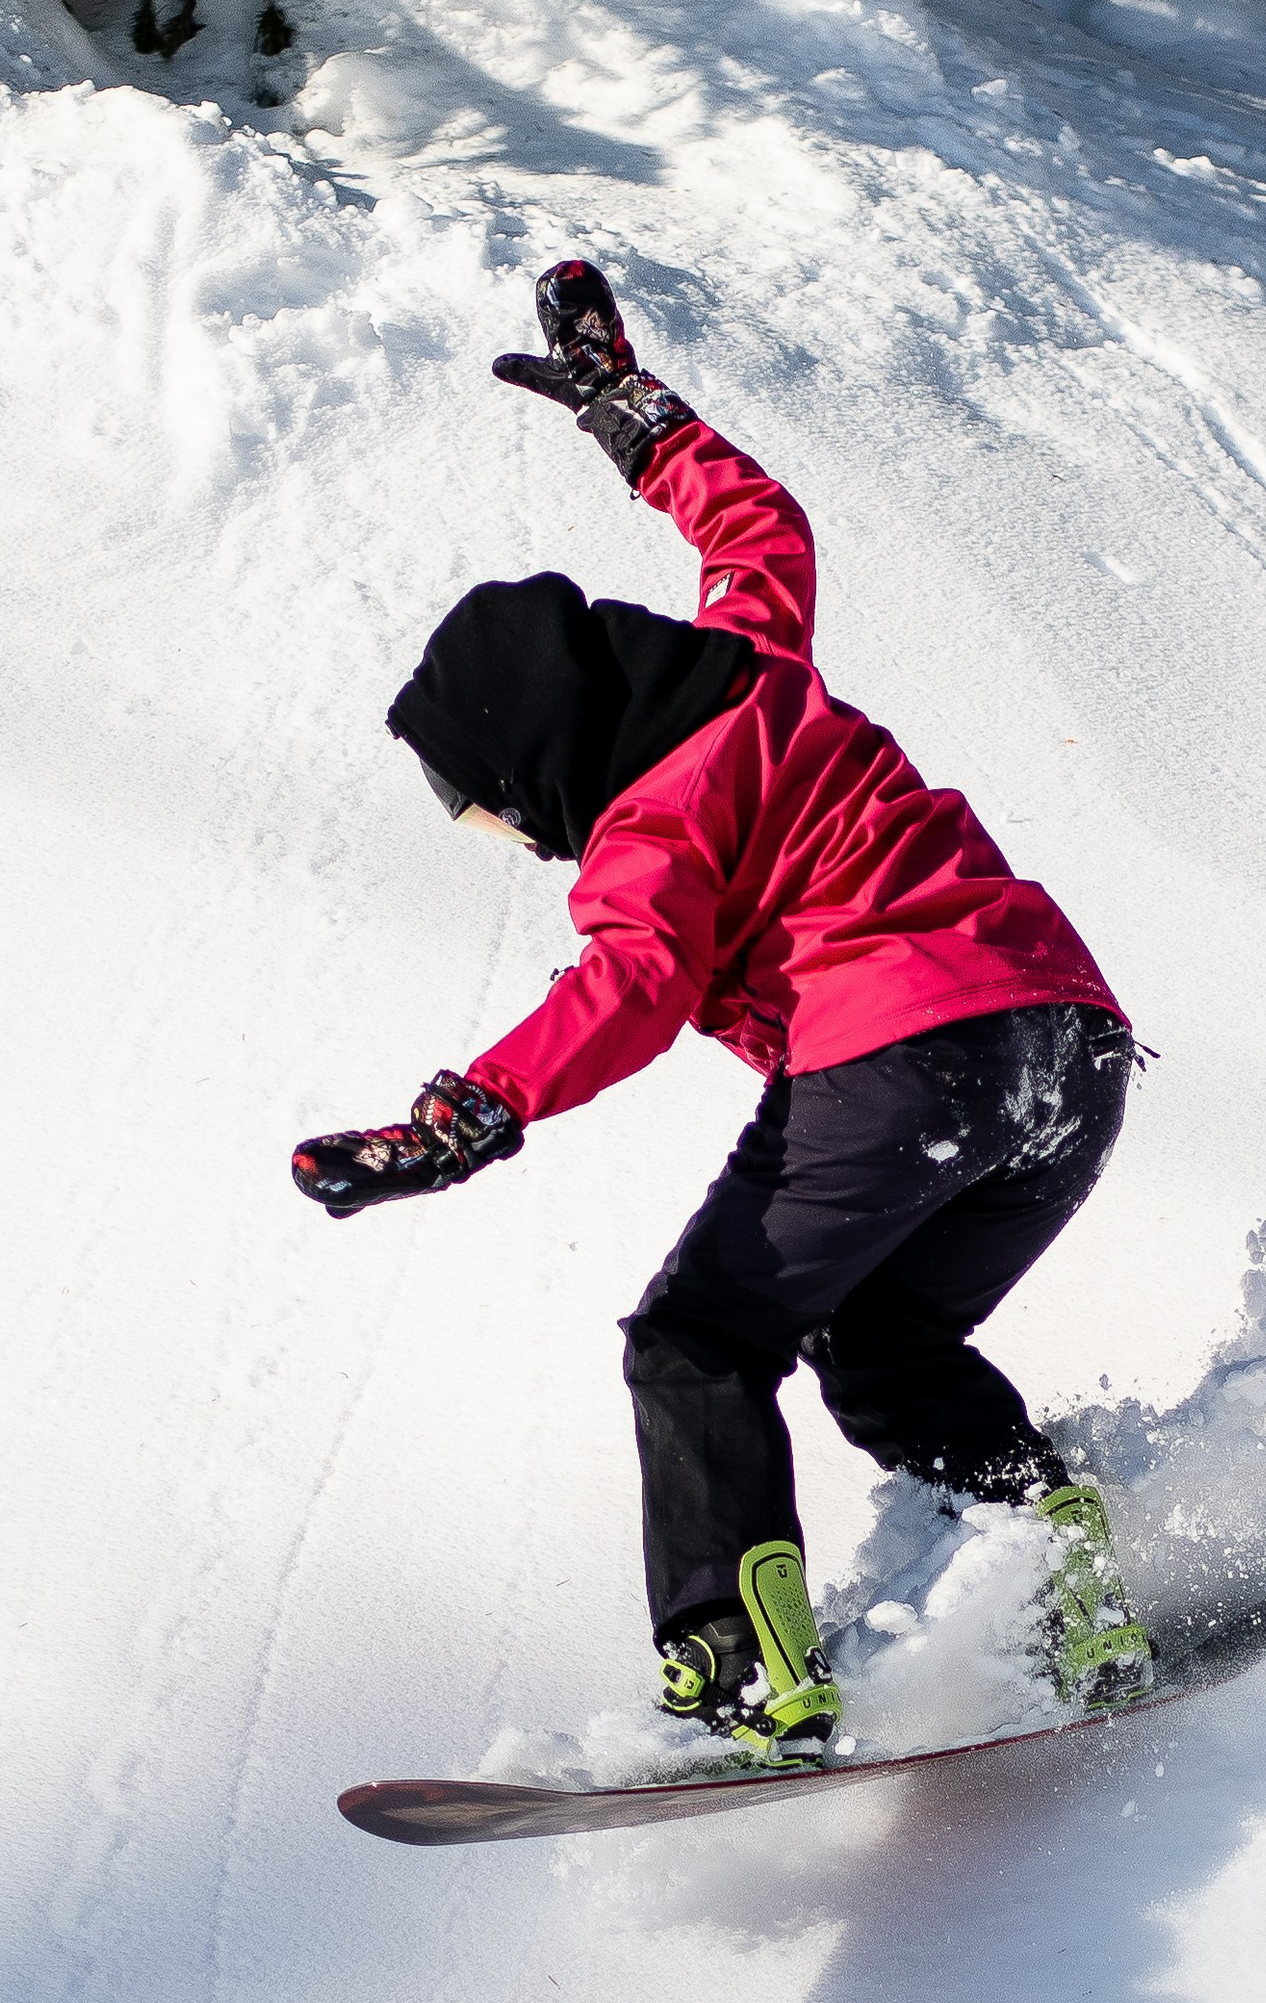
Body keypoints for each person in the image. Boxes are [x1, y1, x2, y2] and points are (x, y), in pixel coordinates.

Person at [291, 260, 1148, 1769]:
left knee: (693, 1343)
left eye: (489, 812)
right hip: (1066, 1054)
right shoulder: (752, 661)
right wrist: (630, 409)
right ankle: (1064, 1578)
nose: (508, 838)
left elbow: (631, 986)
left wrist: (464, 1117)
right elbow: (761, 525)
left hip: (897, 1060)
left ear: (536, 756)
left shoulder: (647, 834)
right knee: (883, 1346)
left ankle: (743, 1681)